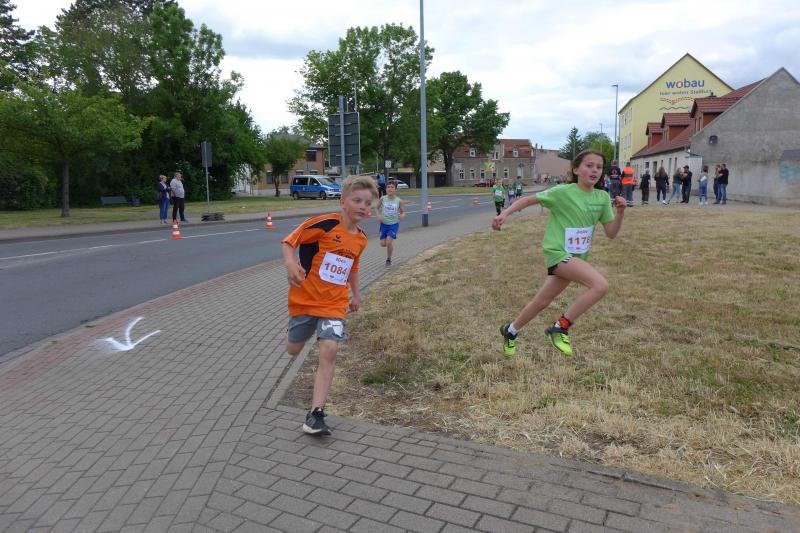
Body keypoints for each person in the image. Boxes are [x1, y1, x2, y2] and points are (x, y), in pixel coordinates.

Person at [494, 149, 625, 357]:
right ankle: (560, 327)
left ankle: (510, 330)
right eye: (589, 165)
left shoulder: (601, 197)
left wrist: (620, 213)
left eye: (599, 167)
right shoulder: (562, 192)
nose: (595, 170)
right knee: (600, 286)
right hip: (557, 252)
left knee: (541, 302)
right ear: (576, 169)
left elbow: (611, 233)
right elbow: (528, 200)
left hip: (575, 258)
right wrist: (505, 214)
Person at [282, 175, 377, 435]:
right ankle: (291, 332)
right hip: (305, 300)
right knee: (292, 349)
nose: (362, 206)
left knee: (330, 349)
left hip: (334, 304)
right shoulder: (324, 224)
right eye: (357, 201)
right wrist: (290, 263)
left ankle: (316, 413)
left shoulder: (361, 239)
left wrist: (356, 295)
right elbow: (290, 241)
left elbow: (352, 268)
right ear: (342, 202)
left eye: (367, 203)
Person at [374, 180, 406, 266]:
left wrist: (402, 215)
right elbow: (376, 208)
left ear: (395, 189)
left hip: (393, 224)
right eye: (388, 187)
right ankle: (389, 243)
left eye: (392, 187)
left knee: (388, 242)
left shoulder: (399, 201)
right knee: (383, 244)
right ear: (386, 189)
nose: (390, 189)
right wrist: (379, 215)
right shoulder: (383, 198)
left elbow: (403, 212)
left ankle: (389, 259)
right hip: (384, 224)